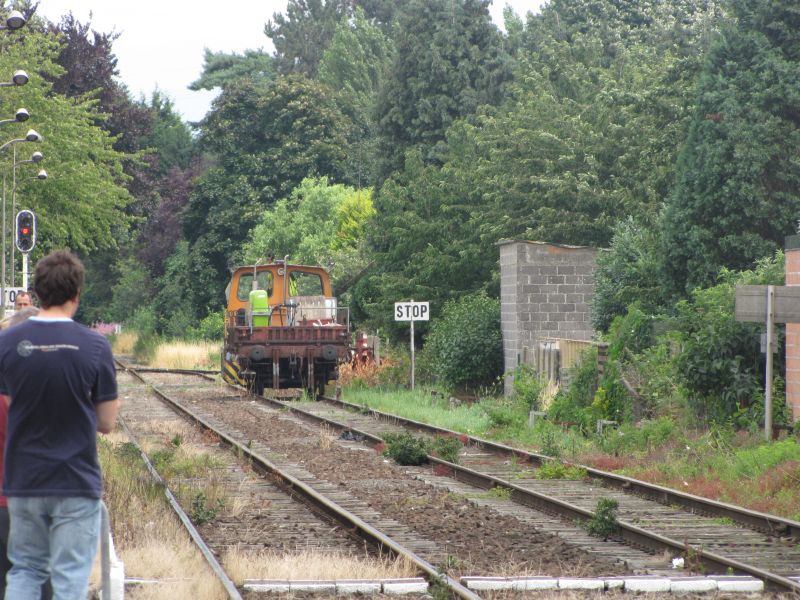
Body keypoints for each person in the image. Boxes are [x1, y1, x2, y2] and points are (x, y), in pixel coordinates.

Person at [0, 250, 119, 600]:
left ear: (37, 292)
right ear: (76, 294)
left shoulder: (6, 343)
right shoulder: (95, 346)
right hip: (74, 480)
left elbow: (9, 404)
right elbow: (107, 422)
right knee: (68, 576)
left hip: (23, 480)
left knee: (25, 570)